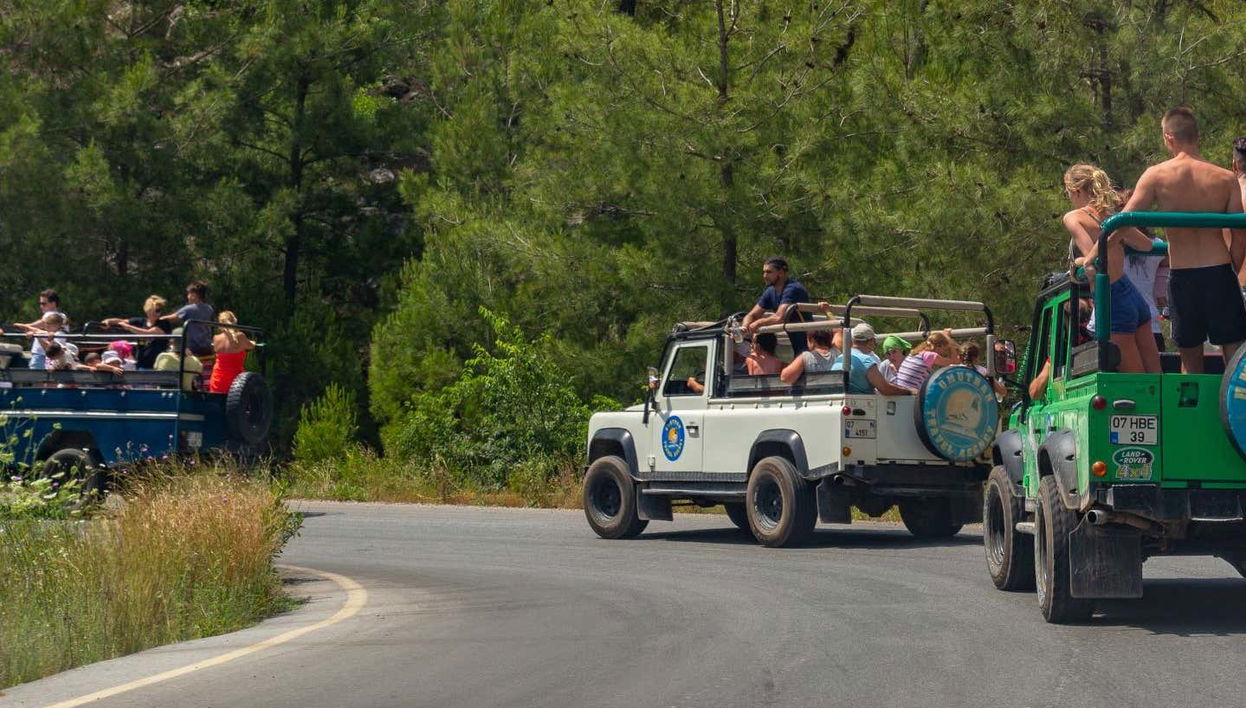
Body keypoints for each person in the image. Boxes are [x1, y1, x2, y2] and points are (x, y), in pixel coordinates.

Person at [1122, 107, 1246, 373]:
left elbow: (1122, 222)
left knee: (1189, 359)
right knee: (1235, 356)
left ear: (1168, 137)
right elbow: (1239, 233)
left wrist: (1099, 252)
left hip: (1183, 274)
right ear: (1197, 136)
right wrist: (1232, 269)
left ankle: (1192, 401)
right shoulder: (1225, 177)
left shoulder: (1156, 175)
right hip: (1219, 271)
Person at [1063, 164, 1161, 374]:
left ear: (1076, 191)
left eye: (1068, 192)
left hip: (1111, 297)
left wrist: (1078, 262)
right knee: (1156, 376)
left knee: (1135, 381)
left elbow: (1094, 262)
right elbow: (1146, 245)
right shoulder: (1111, 217)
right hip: (1133, 295)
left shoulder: (1073, 217)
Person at [742, 258, 812, 354]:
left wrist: (758, 323)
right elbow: (752, 315)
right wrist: (744, 327)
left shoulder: (793, 289)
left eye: (769, 272)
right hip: (797, 345)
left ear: (781, 273)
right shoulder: (770, 291)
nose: (765, 276)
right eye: (764, 272)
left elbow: (779, 317)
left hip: (811, 344)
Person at [831, 323, 910, 395]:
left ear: (853, 340)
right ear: (871, 342)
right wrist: (909, 391)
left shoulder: (840, 358)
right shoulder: (866, 361)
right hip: (860, 404)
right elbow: (885, 389)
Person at [102, 295, 173, 369]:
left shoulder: (164, 323)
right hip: (141, 364)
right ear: (147, 310)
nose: (157, 313)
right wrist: (108, 321)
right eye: (154, 310)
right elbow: (122, 321)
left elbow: (148, 333)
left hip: (158, 366)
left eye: (159, 310)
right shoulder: (141, 321)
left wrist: (129, 327)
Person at [15, 291, 68, 370]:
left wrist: (25, 326)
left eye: (43, 304)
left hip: (42, 354)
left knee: (37, 376)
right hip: (54, 355)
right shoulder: (62, 316)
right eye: (40, 304)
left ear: (53, 304)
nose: (41, 306)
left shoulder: (52, 315)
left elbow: (39, 324)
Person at [162, 280, 215, 357]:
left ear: (194, 295)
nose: (188, 296)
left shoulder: (189, 309)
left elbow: (171, 318)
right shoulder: (209, 308)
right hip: (207, 347)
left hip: (193, 348)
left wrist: (157, 320)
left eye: (189, 294)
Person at [893, 330, 959, 392]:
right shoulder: (930, 355)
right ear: (939, 346)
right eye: (945, 349)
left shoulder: (915, 354)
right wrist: (950, 342)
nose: (945, 353)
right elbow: (955, 362)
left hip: (903, 391)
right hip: (910, 394)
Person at [209, 311, 255, 393]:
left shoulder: (216, 338)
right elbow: (251, 346)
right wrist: (253, 342)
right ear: (234, 321)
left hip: (217, 381)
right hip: (236, 383)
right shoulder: (240, 336)